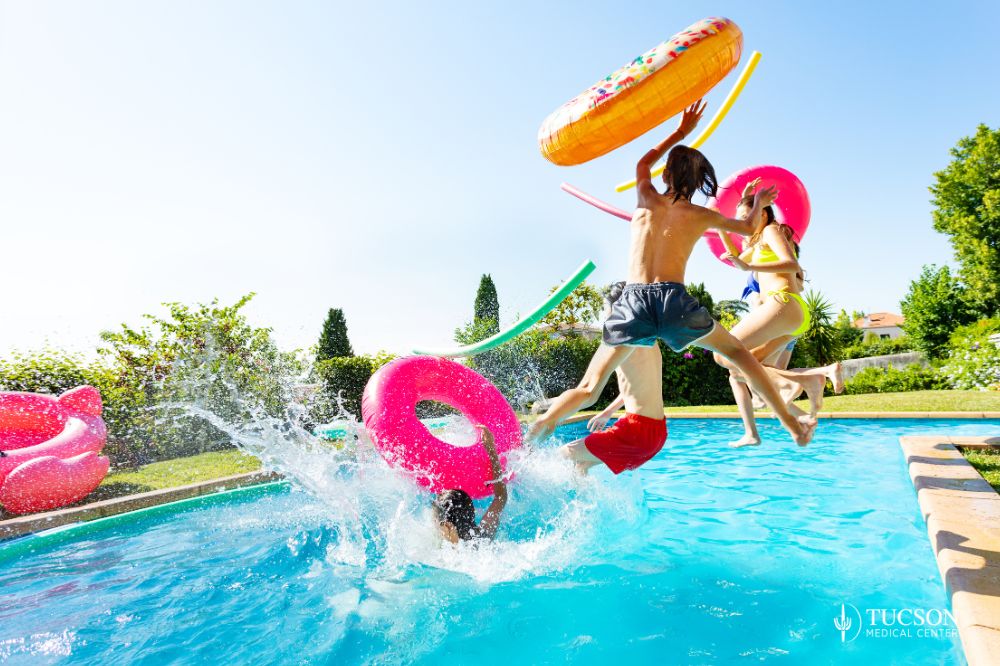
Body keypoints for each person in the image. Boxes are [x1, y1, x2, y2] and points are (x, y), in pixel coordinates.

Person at [528, 100, 814, 446]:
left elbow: (642, 161)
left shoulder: (646, 196)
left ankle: (541, 426)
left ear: (666, 175)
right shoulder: (700, 215)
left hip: (632, 302)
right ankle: (791, 423)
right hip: (673, 301)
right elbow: (747, 225)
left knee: (589, 388)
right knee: (737, 354)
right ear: (698, 184)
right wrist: (758, 202)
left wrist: (680, 132)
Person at [715, 184, 843, 446]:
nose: (743, 224)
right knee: (742, 371)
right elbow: (736, 256)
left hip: (782, 304)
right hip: (792, 314)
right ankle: (759, 430)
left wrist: (748, 265)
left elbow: (791, 262)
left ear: (762, 214)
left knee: (722, 353)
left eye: (746, 218)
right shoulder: (757, 242)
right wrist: (719, 223)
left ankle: (804, 380)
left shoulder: (771, 231)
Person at [558, 282, 666, 475]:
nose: (605, 318)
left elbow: (589, 390)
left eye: (606, 311)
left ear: (619, 309)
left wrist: (550, 419)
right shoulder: (649, 340)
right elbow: (633, 388)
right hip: (657, 433)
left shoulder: (623, 339)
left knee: (562, 454)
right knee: (581, 465)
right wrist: (608, 412)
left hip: (636, 432)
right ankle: (582, 504)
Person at [432, 425, 508, 543]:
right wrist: (491, 451)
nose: (433, 522)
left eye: (435, 519)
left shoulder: (445, 557)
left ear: (447, 526)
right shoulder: (483, 536)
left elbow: (501, 497)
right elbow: (500, 497)